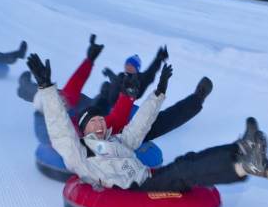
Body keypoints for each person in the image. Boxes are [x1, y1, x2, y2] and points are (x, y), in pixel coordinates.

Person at [28, 53, 268, 192]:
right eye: (94, 123)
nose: (100, 124)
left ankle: (242, 151)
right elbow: (60, 130)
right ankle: (242, 165)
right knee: (183, 170)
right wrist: (47, 89)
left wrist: (158, 93)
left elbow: (139, 126)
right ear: (83, 129)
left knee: (186, 160)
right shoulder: (79, 152)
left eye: (101, 121)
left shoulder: (115, 141)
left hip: (146, 178)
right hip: (132, 190)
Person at [19, 36, 213, 143]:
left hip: (99, 112)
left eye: (132, 66)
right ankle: (25, 86)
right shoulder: (60, 128)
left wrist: (90, 61)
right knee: (52, 96)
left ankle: (196, 100)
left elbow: (73, 92)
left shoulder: (131, 80)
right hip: (81, 119)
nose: (129, 69)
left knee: (83, 99)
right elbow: (60, 114)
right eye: (128, 65)